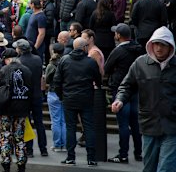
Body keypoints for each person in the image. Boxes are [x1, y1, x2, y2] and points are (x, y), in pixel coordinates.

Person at [111, 26, 175, 172]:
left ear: (170, 46)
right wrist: (120, 99)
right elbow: (126, 85)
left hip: (172, 125)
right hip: (149, 123)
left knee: (167, 168)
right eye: (156, 44)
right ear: (151, 44)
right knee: (149, 167)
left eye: (163, 45)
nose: (159, 48)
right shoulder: (140, 63)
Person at [52, 38, 102, 167]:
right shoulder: (90, 62)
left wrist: (61, 95)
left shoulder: (64, 60)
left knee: (71, 128)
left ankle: (70, 157)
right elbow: (98, 79)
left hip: (69, 98)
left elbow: (57, 81)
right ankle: (91, 158)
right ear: (84, 47)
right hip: (86, 98)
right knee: (89, 127)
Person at [104, 23, 143, 164]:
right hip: (136, 89)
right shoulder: (139, 49)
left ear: (119, 36)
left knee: (123, 124)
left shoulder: (118, 51)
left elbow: (107, 67)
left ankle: (123, 154)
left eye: (116, 33)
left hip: (120, 89)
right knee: (136, 124)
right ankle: (138, 153)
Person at [0, 48, 33, 172]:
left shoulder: (4, 70)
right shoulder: (26, 70)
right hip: (21, 109)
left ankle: (6, 163)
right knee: (19, 138)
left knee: (5, 136)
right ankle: (21, 164)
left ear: (7, 59)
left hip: (6, 109)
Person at [14, 39, 47, 157]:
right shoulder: (37, 59)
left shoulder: (18, 61)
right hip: (37, 94)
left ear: (20, 49)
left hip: (25, 96)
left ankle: (29, 149)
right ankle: (43, 149)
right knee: (39, 123)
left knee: (26, 123)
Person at [44, 43, 66, 153]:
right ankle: (64, 144)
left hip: (53, 92)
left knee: (56, 120)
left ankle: (57, 144)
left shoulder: (51, 65)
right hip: (65, 92)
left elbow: (47, 80)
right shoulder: (67, 62)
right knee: (64, 120)